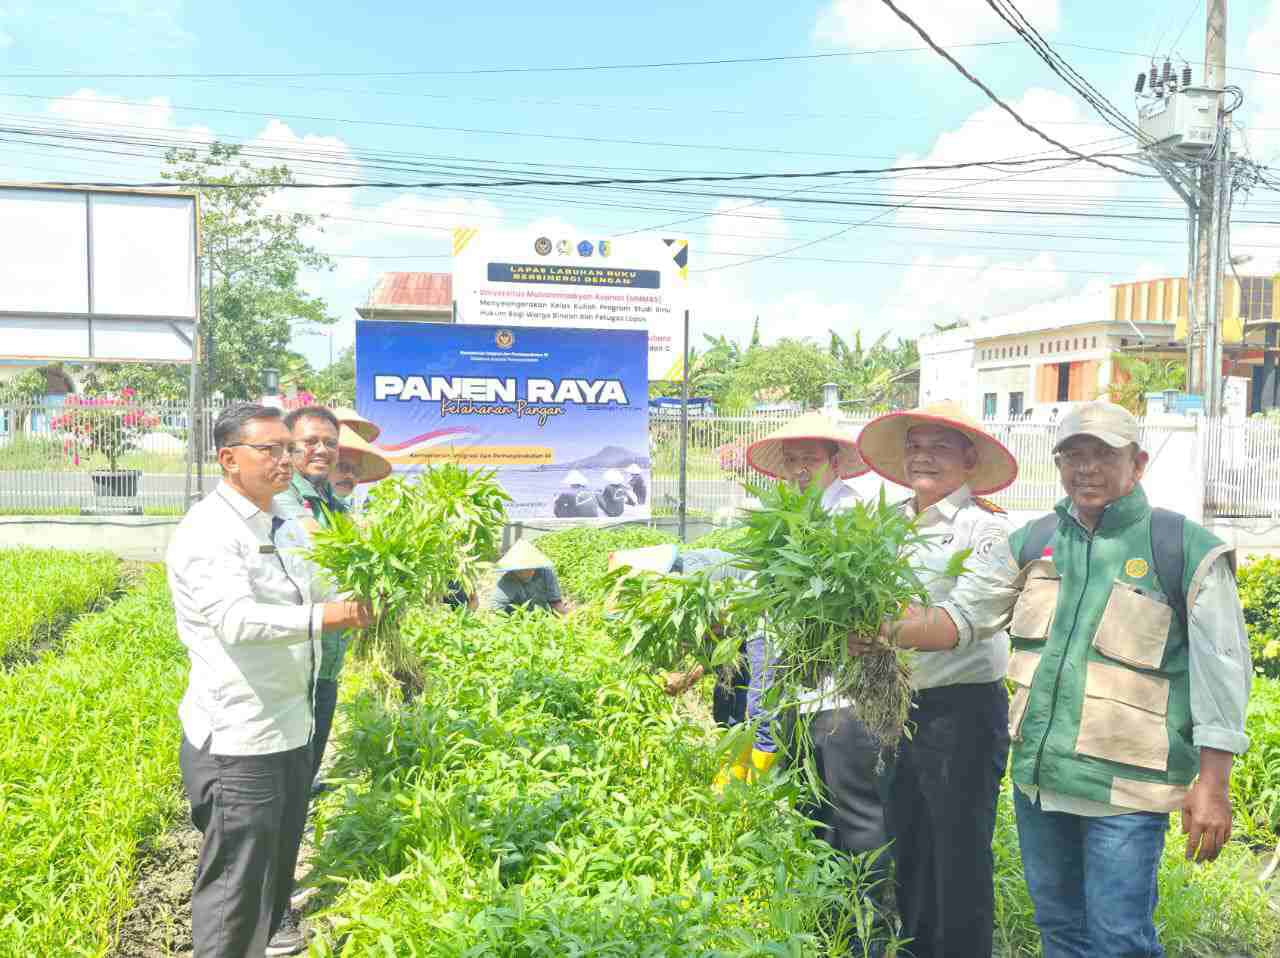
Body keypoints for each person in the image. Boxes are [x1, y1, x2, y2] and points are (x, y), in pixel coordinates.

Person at [882, 401, 1252, 957]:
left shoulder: (1183, 549)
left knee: (1119, 939)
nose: (1086, 467)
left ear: (1138, 463)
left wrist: (1213, 787)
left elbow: (1222, 672)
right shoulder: (1032, 543)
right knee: (1060, 933)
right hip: (1041, 785)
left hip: (1123, 794)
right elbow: (959, 619)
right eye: (1072, 455)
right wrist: (883, 626)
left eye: (1103, 454)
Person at [167, 404, 371, 958]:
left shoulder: (281, 519)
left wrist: (371, 581)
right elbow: (235, 619)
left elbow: (321, 584)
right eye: (272, 450)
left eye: (288, 448)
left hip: (290, 724)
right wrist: (325, 617)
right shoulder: (210, 531)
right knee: (236, 889)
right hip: (241, 739)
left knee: (272, 874)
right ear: (229, 459)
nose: (288, 459)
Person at [851, 400, 1018, 958]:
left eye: (940, 446)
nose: (923, 455)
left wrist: (872, 628)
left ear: (970, 460)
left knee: (959, 858)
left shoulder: (987, 529)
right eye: (915, 445)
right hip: (897, 708)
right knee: (910, 849)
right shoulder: (884, 526)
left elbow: (956, 625)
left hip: (962, 715)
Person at [744, 411, 891, 947]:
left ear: (834, 461)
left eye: (809, 457)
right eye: (792, 459)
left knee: (857, 817)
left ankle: (871, 931)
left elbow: (861, 606)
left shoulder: (854, 517)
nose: (799, 468)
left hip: (844, 695)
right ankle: (827, 926)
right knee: (812, 813)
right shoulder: (782, 517)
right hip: (798, 692)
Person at [609, 544, 779, 782]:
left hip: (763, 618)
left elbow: (720, 628)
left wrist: (689, 675)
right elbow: (714, 640)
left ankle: (761, 785)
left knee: (760, 705)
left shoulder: (692, 578)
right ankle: (732, 775)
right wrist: (688, 674)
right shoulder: (673, 591)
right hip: (736, 630)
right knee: (727, 700)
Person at [485, 540, 569, 615]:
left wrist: (568, 617)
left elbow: (555, 602)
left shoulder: (545, 573)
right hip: (518, 623)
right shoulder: (508, 581)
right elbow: (495, 610)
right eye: (524, 569)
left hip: (542, 618)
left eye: (532, 567)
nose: (530, 571)